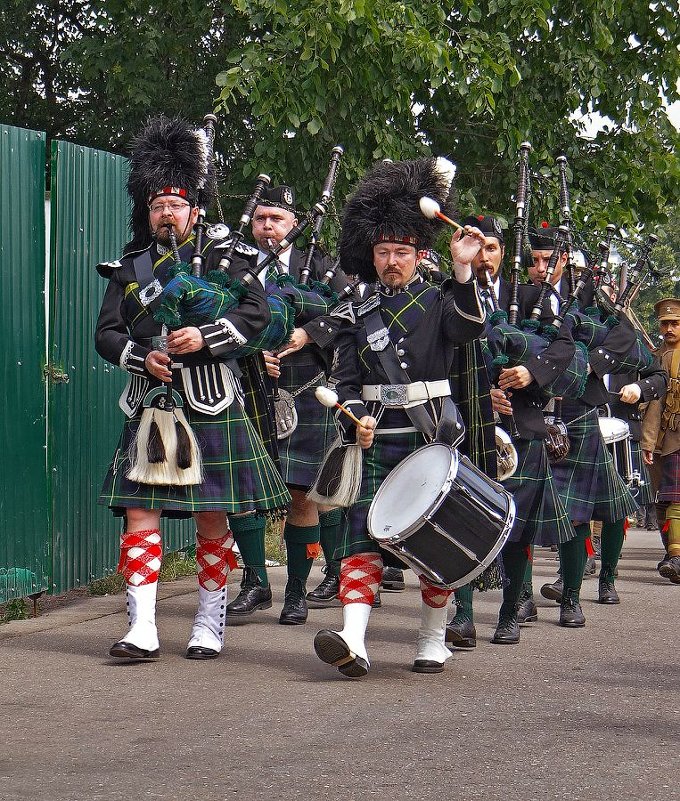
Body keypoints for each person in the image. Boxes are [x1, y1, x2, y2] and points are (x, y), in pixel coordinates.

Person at [95, 116, 290, 661]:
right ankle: (143, 627)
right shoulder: (129, 268)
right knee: (140, 514)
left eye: (177, 206)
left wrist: (203, 336)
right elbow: (105, 333)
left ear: (195, 211)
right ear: (148, 211)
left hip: (210, 400)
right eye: (158, 205)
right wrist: (141, 355)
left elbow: (259, 315)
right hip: (152, 401)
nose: (167, 214)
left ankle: (209, 621)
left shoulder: (229, 261)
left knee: (212, 516)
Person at [313, 157, 487, 677]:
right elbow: (345, 383)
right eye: (384, 252)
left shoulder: (439, 301)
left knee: (432, 538)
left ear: (419, 255)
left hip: (428, 433)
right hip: (376, 439)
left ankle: (433, 638)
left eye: (402, 252)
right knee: (361, 537)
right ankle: (354, 639)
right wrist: (354, 418)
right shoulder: (356, 312)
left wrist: (463, 270)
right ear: (372, 255)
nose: (392, 261)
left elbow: (468, 329)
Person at [446, 216, 579, 646]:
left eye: (491, 248)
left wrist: (530, 372)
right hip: (468, 423)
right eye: (475, 246)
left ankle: (508, 613)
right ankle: (462, 615)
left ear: (503, 253)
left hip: (521, 427)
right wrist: (481, 393)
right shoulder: (448, 297)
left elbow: (565, 348)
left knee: (517, 528)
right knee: (464, 522)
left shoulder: (531, 297)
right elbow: (441, 356)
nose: (483, 256)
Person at [224, 185, 348, 624]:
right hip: (244, 384)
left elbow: (347, 310)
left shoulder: (319, 263)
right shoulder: (232, 262)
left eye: (276, 218)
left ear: (294, 222)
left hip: (304, 389)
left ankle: (295, 591)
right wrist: (251, 348)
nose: (268, 226)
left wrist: (306, 334)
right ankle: (255, 582)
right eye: (260, 218)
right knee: (242, 490)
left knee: (302, 492)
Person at [527, 226, 641, 624]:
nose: (541, 269)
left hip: (577, 413)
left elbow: (628, 340)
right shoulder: (520, 300)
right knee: (533, 508)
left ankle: (573, 596)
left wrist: (588, 366)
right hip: (534, 412)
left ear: (563, 261)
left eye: (549, 260)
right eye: (534, 261)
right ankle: (523, 595)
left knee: (582, 510)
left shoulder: (590, 299)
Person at [641, 297, 680, 583]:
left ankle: (676, 557)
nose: (669, 329)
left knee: (676, 495)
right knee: (663, 500)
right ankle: (672, 557)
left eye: (675, 323)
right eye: (665, 324)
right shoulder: (657, 357)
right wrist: (648, 442)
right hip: (664, 439)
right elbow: (654, 404)